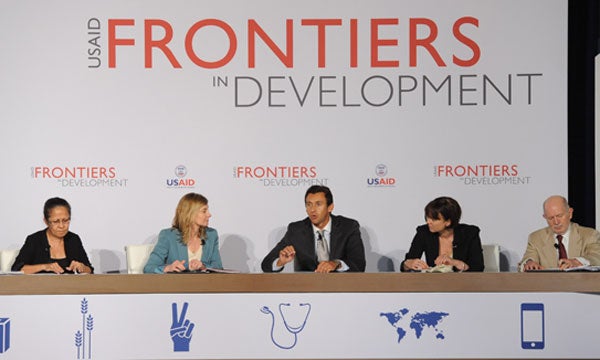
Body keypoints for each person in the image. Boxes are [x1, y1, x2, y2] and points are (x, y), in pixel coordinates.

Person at [261, 185, 366, 273]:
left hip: (341, 289)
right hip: (307, 291)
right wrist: (281, 261)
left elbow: (359, 264)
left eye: (318, 204)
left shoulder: (348, 227)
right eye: (308, 205)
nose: (312, 210)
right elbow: (266, 264)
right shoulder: (296, 230)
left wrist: (336, 264)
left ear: (330, 207)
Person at [144, 192, 223, 273]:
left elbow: (218, 267)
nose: (209, 214)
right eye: (204, 211)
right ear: (190, 213)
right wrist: (168, 268)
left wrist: (203, 266)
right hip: (177, 284)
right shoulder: (168, 236)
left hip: (205, 284)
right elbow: (149, 268)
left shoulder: (211, 234)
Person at [12, 197, 93, 274]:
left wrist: (82, 267)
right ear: (46, 221)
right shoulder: (35, 240)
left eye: (65, 220)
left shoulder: (73, 239)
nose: (61, 226)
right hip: (41, 287)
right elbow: (17, 269)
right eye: (56, 221)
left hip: (70, 287)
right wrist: (44, 267)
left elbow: (89, 270)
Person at [401, 196, 484, 272]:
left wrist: (456, 263)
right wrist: (408, 264)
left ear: (448, 222)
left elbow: (478, 268)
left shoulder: (470, 233)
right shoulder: (424, 232)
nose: (428, 222)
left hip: (464, 284)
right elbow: (406, 264)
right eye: (427, 217)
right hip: (433, 284)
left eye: (434, 219)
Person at [519, 195, 600, 271]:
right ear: (545, 217)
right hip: (548, 284)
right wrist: (529, 263)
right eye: (551, 218)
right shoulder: (536, 238)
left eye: (559, 216)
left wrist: (577, 262)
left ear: (570, 213)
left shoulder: (590, 235)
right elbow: (528, 258)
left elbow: (596, 257)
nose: (556, 222)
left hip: (580, 284)